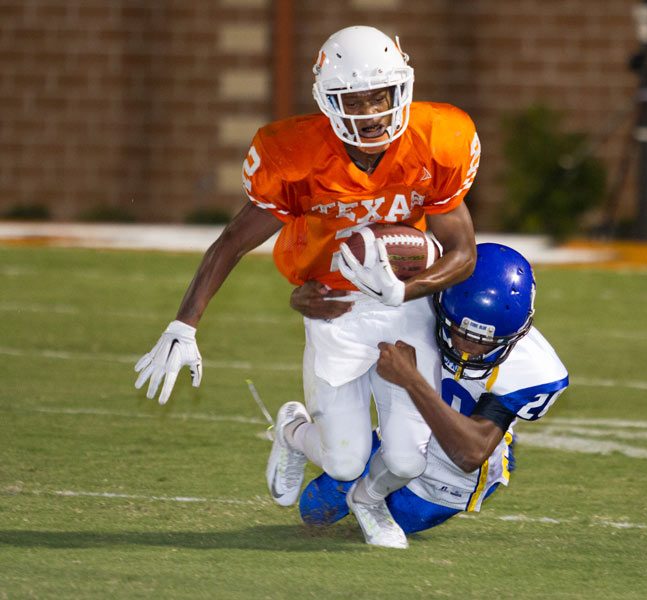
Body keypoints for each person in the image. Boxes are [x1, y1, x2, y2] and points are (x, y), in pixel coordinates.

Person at [133, 26, 480, 549]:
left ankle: (368, 501)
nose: (370, 112)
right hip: (332, 306)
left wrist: (405, 291)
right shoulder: (292, 154)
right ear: (328, 102)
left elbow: (464, 254)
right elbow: (231, 242)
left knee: (408, 459)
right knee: (342, 460)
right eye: (353, 100)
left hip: (404, 302)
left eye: (379, 96)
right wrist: (185, 323)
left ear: (401, 90)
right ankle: (293, 429)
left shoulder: (438, 140)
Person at [292, 244, 569, 539]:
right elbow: (351, 289)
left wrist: (412, 381)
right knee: (315, 511)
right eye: (460, 332)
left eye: (486, 341)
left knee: (376, 528)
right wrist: (302, 297)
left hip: (452, 477)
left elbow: (470, 453)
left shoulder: (533, 368)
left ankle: (369, 495)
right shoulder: (421, 303)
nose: (468, 349)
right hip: (409, 432)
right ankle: (293, 430)